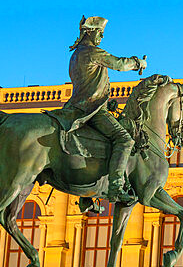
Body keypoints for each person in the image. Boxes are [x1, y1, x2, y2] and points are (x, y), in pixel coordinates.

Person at [62, 16, 146, 204]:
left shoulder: (75, 55)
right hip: (91, 108)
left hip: (75, 107)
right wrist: (138, 63)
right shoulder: (91, 52)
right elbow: (119, 64)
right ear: (90, 32)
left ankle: (88, 195)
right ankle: (115, 187)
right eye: (100, 33)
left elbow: (88, 84)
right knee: (124, 139)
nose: (102, 37)